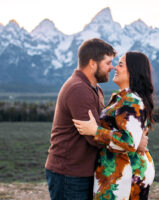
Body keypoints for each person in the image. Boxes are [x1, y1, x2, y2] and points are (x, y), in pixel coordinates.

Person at [45, 39, 148, 200]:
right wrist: (132, 145)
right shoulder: (79, 89)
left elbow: (102, 126)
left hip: (82, 171)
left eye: (116, 63)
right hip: (69, 173)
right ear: (93, 64)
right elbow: (94, 139)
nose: (112, 67)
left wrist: (132, 140)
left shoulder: (95, 89)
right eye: (108, 62)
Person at [73, 51, 155, 200]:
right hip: (118, 172)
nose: (115, 68)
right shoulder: (123, 98)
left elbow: (129, 142)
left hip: (124, 174)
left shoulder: (132, 100)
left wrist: (95, 131)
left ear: (133, 71)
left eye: (120, 65)